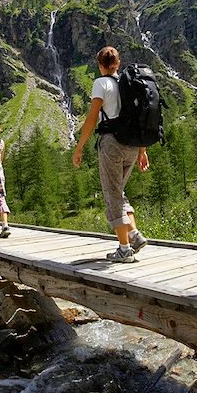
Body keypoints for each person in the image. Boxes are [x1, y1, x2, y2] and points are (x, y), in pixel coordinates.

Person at [72, 46, 149, 263]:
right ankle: (134, 235)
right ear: (118, 63)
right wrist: (143, 149)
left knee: (111, 193)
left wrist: (79, 148)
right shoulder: (129, 83)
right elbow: (138, 118)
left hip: (112, 143)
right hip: (132, 145)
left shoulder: (101, 83)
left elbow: (92, 118)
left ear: (99, 65)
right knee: (119, 190)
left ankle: (124, 250)